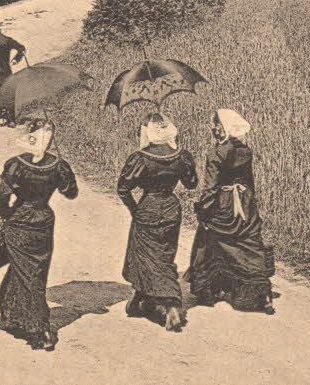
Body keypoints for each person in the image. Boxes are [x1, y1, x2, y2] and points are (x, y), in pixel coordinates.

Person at [0, 120, 78, 351]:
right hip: (43, 220)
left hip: (20, 221)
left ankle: (39, 328)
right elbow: (71, 193)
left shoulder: (16, 165)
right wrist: (65, 176)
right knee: (35, 270)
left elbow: (3, 195)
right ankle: (11, 312)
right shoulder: (58, 165)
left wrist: (6, 214)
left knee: (26, 272)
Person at [185, 108, 275, 313]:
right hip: (244, 202)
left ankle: (208, 290)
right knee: (247, 243)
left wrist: (203, 210)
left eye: (215, 125)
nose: (212, 128)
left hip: (224, 202)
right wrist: (251, 205)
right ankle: (262, 291)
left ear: (223, 127)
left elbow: (211, 187)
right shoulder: (245, 150)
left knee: (206, 239)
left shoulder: (217, 153)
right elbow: (249, 182)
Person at [117, 113, 198, 332]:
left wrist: (135, 210)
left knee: (144, 255)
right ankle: (142, 300)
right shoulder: (181, 156)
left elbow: (123, 188)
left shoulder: (140, 157)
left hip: (148, 207)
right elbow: (191, 184)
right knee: (164, 254)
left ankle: (169, 304)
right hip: (171, 207)